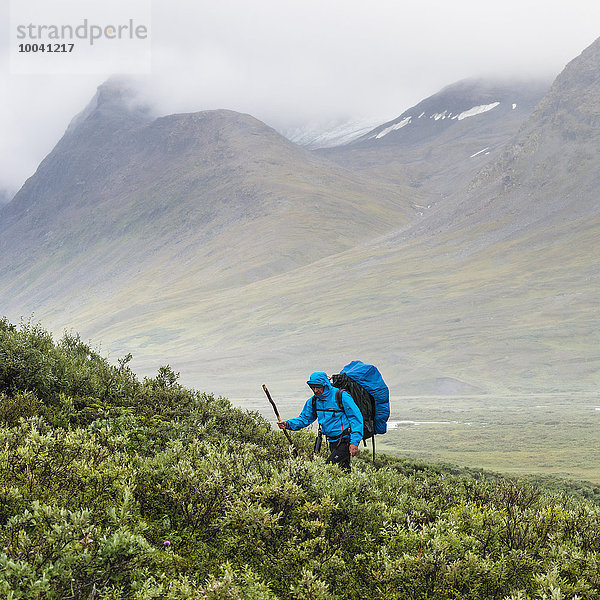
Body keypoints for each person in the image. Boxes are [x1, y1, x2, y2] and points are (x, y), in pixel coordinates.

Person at [278, 372, 363, 471]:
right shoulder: (313, 401)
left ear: (325, 385)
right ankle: (351, 485)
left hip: (345, 440)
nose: (315, 390)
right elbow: (304, 419)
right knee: (342, 470)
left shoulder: (341, 396)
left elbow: (356, 418)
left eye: (318, 387)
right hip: (331, 441)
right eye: (313, 387)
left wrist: (354, 442)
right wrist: (287, 424)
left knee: (329, 467)